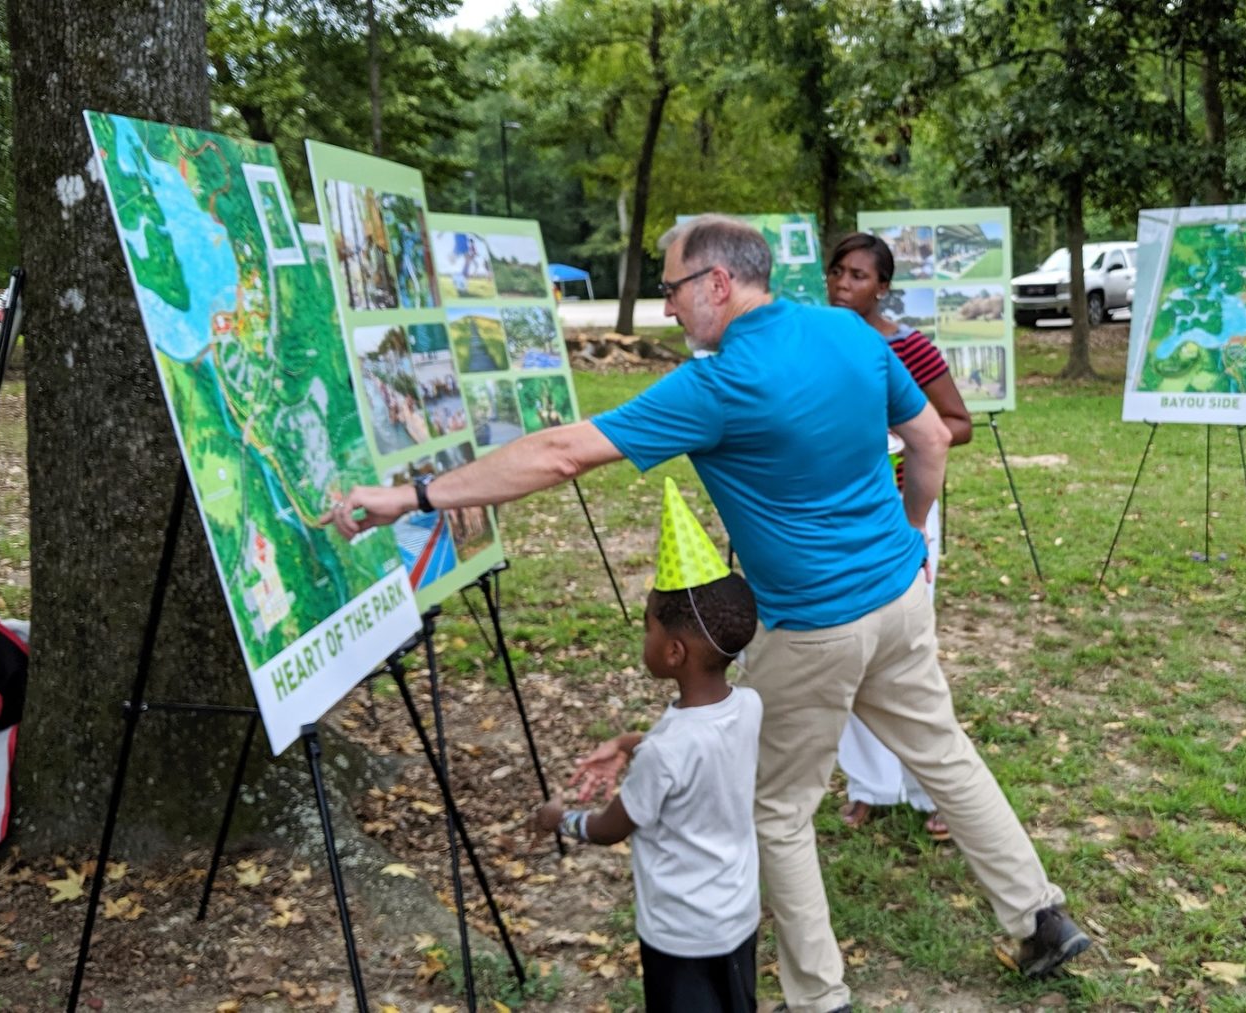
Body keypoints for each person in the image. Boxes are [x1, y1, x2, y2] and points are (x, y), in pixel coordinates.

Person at [326, 215, 1088, 1011]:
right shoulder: (850, 332)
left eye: (671, 289)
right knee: (946, 755)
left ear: (718, 283)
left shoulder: (720, 384)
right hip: (900, 599)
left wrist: (412, 495)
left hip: (813, 626)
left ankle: (819, 996)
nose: (665, 310)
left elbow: (559, 453)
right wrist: (903, 533)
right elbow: (930, 440)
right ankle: (1039, 915)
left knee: (780, 809)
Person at [535, 479, 764, 1013]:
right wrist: (629, 740)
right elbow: (697, 752)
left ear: (675, 652)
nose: (645, 640)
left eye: (648, 629)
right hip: (737, 913)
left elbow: (614, 827)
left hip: (679, 932)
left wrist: (562, 819)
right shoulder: (747, 706)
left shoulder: (666, 753)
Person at [823, 233, 972, 840]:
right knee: (849, 650)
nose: (842, 284)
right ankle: (869, 785)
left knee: (908, 649)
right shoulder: (820, 344)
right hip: (838, 514)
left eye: (857, 276)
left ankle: (930, 787)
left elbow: (957, 425)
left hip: (905, 513)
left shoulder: (912, 350)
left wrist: (904, 434)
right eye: (836, 272)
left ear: (882, 287)